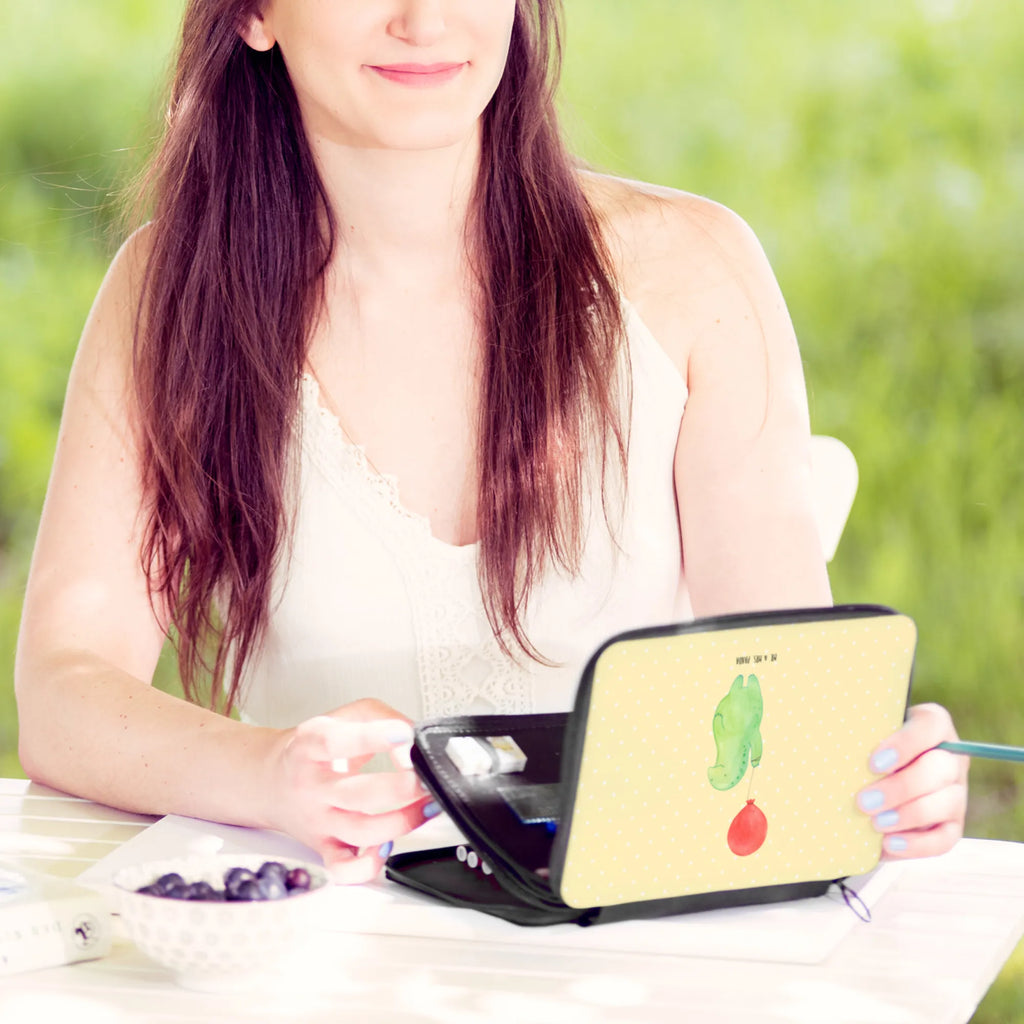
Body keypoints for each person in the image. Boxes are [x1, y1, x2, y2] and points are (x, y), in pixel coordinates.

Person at [14, 0, 967, 884]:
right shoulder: (175, 294)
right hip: (320, 942)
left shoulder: (692, 275)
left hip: (639, 935)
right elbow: (63, 696)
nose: (424, 20)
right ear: (256, 13)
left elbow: (788, 694)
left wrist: (884, 774)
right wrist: (268, 771)